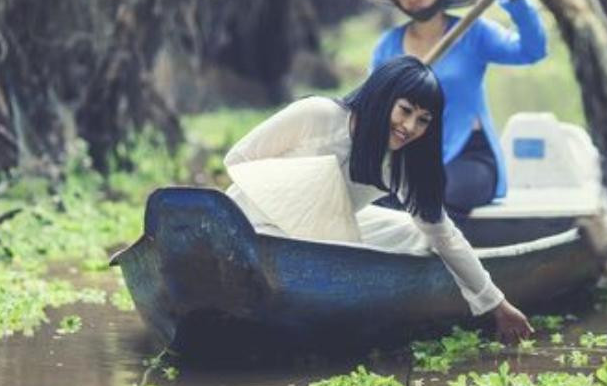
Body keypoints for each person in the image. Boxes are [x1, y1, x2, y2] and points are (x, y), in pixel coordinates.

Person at [223, 56, 534, 342]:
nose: (410, 127)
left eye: (424, 120)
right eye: (405, 110)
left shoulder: (401, 166)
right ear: (384, 98)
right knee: (278, 241)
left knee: (419, 235)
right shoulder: (318, 114)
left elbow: (445, 237)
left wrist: (497, 304)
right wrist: (301, 193)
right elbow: (239, 158)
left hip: (322, 236)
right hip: (254, 224)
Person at [359, 0, 546, 216]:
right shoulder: (386, 47)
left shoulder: (474, 33)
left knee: (434, 194)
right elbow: (370, 108)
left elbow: (532, 50)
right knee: (372, 199)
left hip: (468, 156)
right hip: (409, 158)